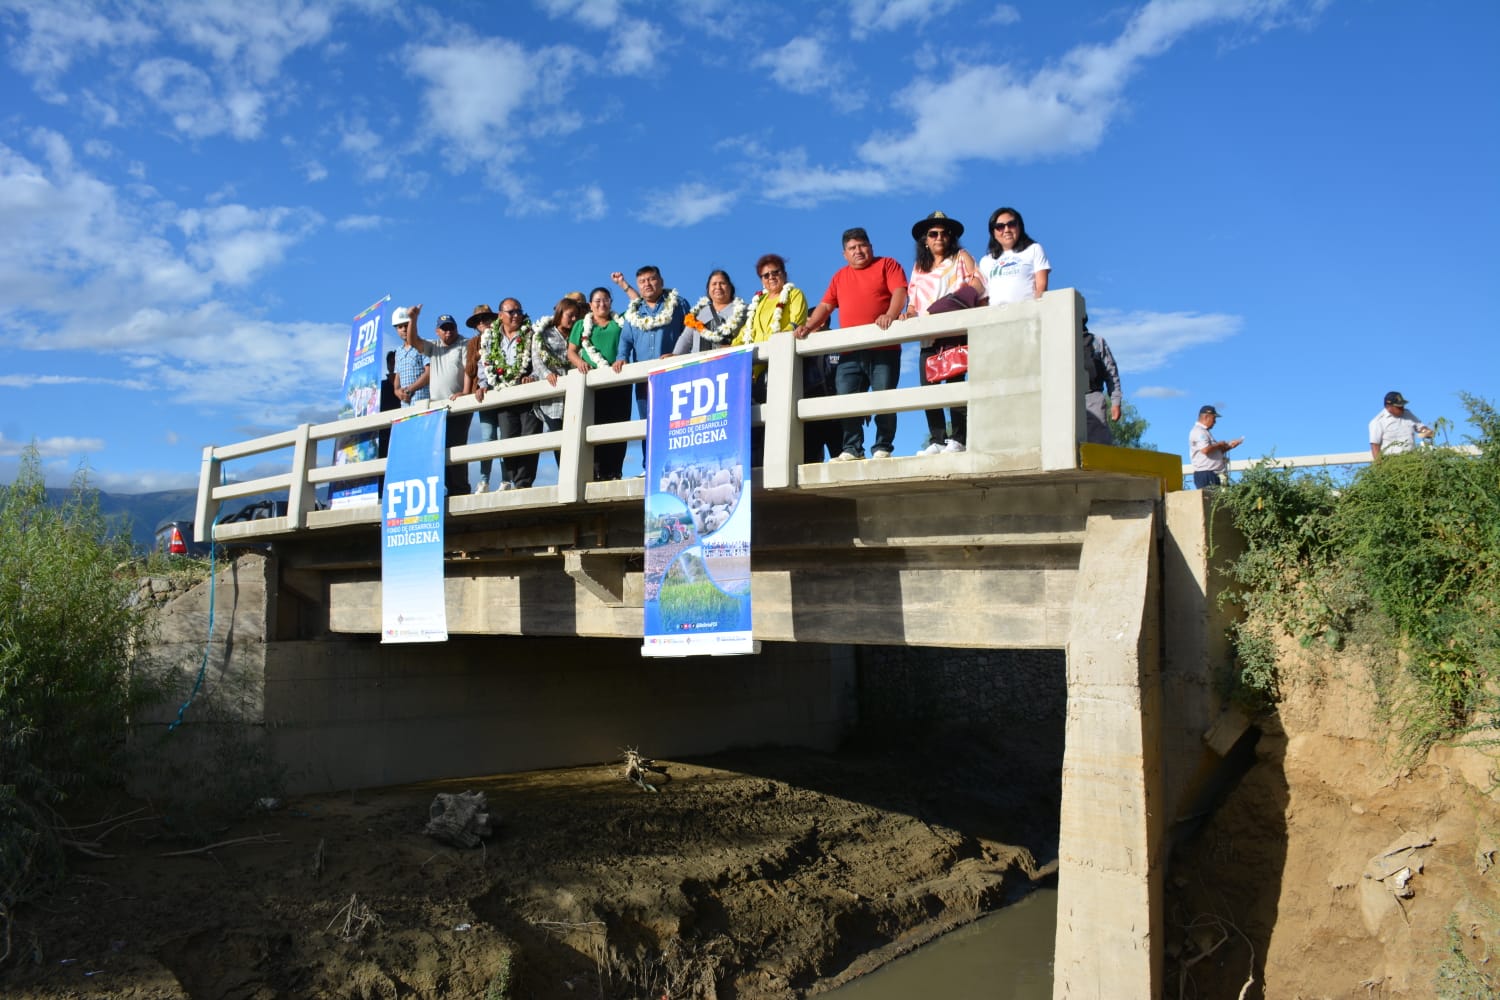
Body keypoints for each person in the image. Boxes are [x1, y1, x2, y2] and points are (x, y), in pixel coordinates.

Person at [793, 227, 908, 462]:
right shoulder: (839, 276)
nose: (858, 251)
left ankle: (883, 446)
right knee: (845, 398)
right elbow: (826, 306)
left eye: (862, 245)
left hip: (883, 348)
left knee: (883, 397)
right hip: (849, 352)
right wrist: (810, 325)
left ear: (871, 247)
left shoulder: (887, 264)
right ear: (844, 254)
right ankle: (852, 448)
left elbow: (899, 292)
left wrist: (890, 314)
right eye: (852, 248)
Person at [903, 211, 979, 455]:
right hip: (928, 333)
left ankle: (959, 438)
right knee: (929, 387)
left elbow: (978, 283)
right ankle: (937, 439)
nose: (939, 237)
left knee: (955, 383)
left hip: (954, 328)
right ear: (925, 239)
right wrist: (909, 313)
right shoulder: (919, 267)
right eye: (933, 233)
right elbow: (913, 301)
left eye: (944, 233)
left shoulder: (961, 257)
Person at [401, 305, 471, 496]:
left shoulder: (465, 344)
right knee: (440, 449)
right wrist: (413, 319)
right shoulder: (434, 346)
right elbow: (413, 341)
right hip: (438, 408)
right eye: (444, 328)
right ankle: (448, 488)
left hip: (458, 405)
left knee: (456, 446)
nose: (448, 331)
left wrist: (465, 392)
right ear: (437, 331)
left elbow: (468, 370)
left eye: (451, 327)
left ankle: (460, 489)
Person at [471, 299, 540, 491]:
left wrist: (533, 376)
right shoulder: (491, 338)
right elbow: (483, 363)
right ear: (501, 315)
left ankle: (523, 484)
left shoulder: (531, 333)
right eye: (511, 312)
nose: (516, 315)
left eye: (519, 311)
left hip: (527, 396)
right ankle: (514, 480)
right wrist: (483, 384)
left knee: (529, 437)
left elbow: (538, 359)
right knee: (508, 439)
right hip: (503, 396)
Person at [566, 287, 630, 481]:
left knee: (618, 422)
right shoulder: (581, 325)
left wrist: (624, 285)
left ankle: (615, 470)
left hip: (618, 379)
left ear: (611, 302)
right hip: (593, 383)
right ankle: (597, 470)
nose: (602, 304)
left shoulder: (620, 322)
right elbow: (571, 352)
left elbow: (636, 302)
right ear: (590, 305)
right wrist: (580, 363)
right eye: (597, 301)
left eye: (606, 300)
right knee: (595, 422)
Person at [531, 296, 583, 473]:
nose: (574, 319)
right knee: (557, 437)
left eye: (576, 315)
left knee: (574, 435)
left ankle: (576, 472)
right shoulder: (544, 333)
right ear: (560, 314)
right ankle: (565, 474)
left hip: (573, 392)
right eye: (570, 315)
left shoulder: (578, 335)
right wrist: (546, 374)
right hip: (552, 395)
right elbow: (536, 359)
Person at [461, 304, 501, 492]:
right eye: (479, 320)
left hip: (502, 390)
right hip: (483, 393)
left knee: (506, 438)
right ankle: (484, 480)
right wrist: (466, 392)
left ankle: (507, 480)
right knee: (488, 436)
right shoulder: (472, 343)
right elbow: (470, 370)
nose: (482, 322)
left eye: (486, 318)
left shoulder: (501, 336)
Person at [976, 206, 1049, 305]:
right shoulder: (986, 261)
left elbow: (1041, 286)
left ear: (1020, 227)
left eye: (1011, 224)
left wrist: (1036, 310)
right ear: (993, 233)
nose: (1006, 230)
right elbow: (983, 297)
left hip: (1027, 314)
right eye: (1000, 227)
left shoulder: (1034, 249)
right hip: (996, 317)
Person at [668, 270, 747, 356]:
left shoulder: (743, 310)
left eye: (722, 283)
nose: (718, 287)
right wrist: (675, 355)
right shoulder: (697, 313)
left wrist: (734, 347)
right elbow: (686, 338)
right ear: (708, 289)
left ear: (730, 287)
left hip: (731, 362)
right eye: (714, 284)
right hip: (701, 366)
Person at [1081, 315, 1123, 446]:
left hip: (1092, 398)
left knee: (1099, 445)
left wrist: (1116, 402)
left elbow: (1111, 373)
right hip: (1065, 401)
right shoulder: (1058, 342)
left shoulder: (1096, 342)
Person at [1369, 390, 1434, 460]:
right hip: (1391, 461)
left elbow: (1420, 428)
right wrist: (1379, 466)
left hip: (1412, 459)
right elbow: (1375, 446)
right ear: (1388, 407)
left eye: (1402, 406)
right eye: (1398, 407)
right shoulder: (1378, 422)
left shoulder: (1408, 414)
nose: (1402, 409)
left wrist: (1427, 433)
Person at [1188, 404, 1241, 489]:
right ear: (1206, 417)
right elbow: (1205, 450)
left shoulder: (1205, 432)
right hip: (1205, 474)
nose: (1215, 421)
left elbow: (1213, 451)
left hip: (1212, 473)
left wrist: (1230, 446)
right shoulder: (1199, 431)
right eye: (1214, 418)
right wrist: (1219, 444)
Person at [391, 306, 430, 407]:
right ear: (396, 329)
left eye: (406, 325)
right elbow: (397, 379)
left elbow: (429, 373)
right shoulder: (398, 351)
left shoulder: (423, 344)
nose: (404, 329)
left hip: (423, 401)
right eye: (400, 327)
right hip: (405, 405)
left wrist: (410, 389)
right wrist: (398, 392)